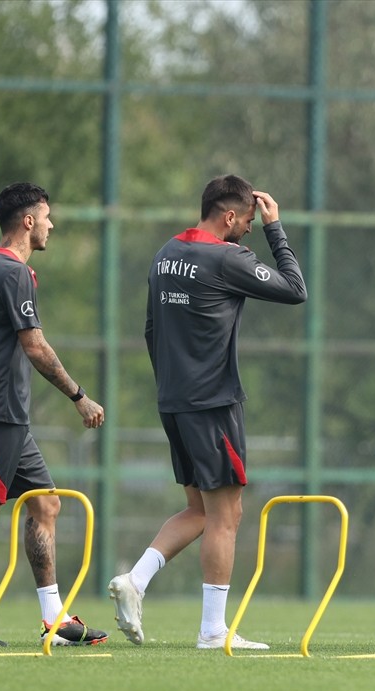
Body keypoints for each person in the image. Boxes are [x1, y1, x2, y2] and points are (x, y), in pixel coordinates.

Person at [108, 175, 306, 650]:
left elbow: (150, 330)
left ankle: (135, 580)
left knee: (199, 509)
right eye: (249, 221)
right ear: (229, 216)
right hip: (213, 403)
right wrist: (277, 228)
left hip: (173, 400)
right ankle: (213, 631)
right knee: (226, 513)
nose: (251, 229)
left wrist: (172, 385)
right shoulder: (226, 257)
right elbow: (295, 289)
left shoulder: (165, 254)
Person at [0, 182, 107, 648]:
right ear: (29, 222)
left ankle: (55, 620)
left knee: (46, 504)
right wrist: (79, 396)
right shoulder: (13, 272)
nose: (52, 225)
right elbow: (35, 345)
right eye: (47, 217)